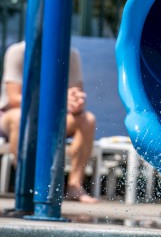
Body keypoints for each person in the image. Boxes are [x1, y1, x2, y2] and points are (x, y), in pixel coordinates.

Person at [0, 41, 98, 203]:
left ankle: (74, 185)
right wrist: (58, 100)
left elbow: (76, 96)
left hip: (54, 117)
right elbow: (15, 99)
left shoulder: (71, 55)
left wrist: (76, 102)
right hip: (14, 116)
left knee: (87, 119)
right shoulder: (18, 51)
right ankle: (27, 185)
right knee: (19, 118)